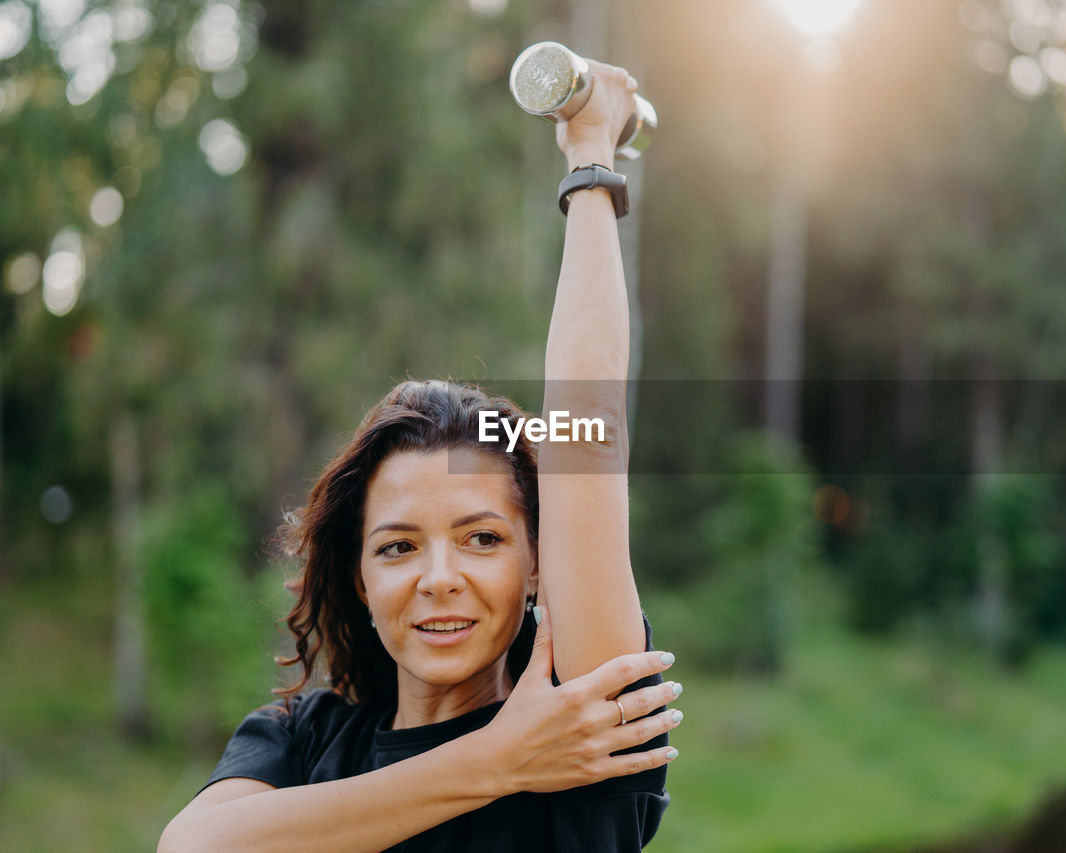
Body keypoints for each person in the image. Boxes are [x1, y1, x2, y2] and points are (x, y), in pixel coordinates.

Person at [158, 60, 681, 852]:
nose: (439, 577)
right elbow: (192, 848)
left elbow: (590, 428)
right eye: (398, 546)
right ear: (362, 577)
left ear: (538, 564)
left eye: (483, 537)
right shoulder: (303, 737)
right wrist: (498, 760)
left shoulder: (586, 727)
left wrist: (589, 161)